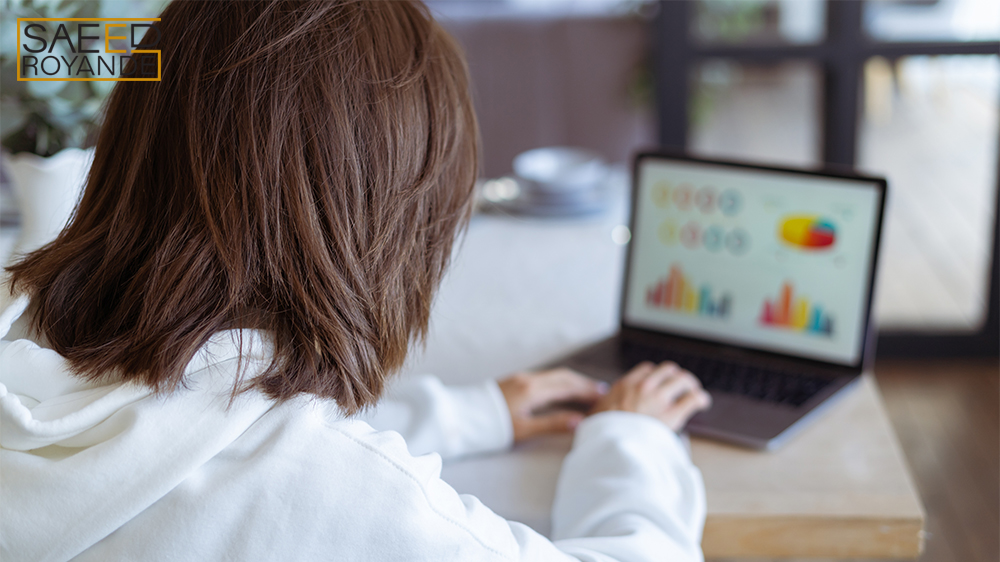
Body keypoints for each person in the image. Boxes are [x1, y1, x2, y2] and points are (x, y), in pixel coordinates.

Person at [0, 1, 712, 561]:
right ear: (393, 230)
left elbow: (176, 427)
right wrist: (631, 437)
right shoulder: (332, 496)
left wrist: (475, 414)